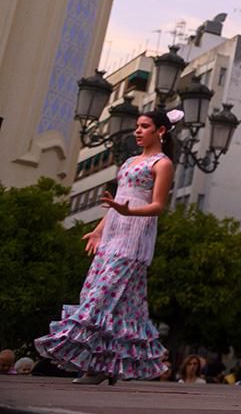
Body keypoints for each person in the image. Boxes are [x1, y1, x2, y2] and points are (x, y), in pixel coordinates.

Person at [35, 110, 179, 384]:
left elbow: (158, 206)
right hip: (112, 235)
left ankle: (95, 364)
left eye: (144, 126)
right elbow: (118, 202)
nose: (137, 131)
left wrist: (128, 213)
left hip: (134, 239)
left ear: (160, 131)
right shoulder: (128, 162)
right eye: (137, 126)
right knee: (119, 304)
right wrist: (98, 231)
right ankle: (103, 366)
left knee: (101, 299)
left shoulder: (162, 164)